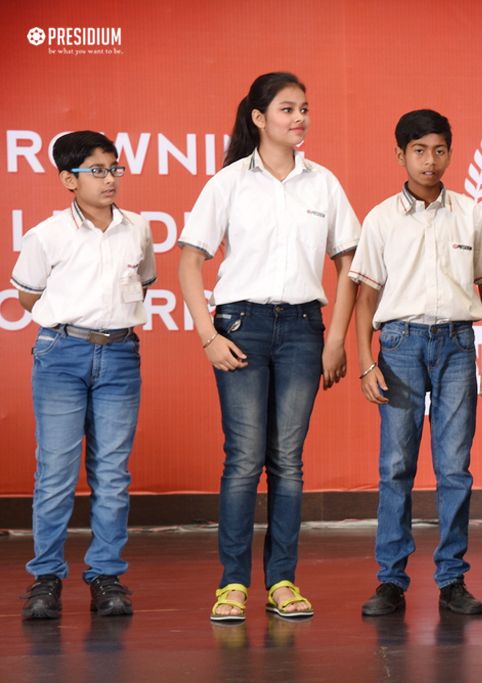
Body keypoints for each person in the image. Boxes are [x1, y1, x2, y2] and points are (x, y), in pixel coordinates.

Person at [178, 72, 360, 622]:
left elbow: (349, 264)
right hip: (240, 327)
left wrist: (335, 339)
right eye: (287, 109)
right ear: (258, 118)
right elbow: (189, 260)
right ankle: (232, 585)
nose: (299, 118)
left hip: (305, 328)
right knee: (243, 460)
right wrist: (208, 335)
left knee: (287, 461)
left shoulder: (323, 183)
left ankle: (282, 580)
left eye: (304, 108)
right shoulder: (230, 182)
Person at [352, 109, 482, 618]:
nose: (430, 161)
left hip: (459, 346)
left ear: (450, 152)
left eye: (440, 150)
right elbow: (365, 297)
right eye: (419, 150)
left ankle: (452, 579)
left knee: (455, 468)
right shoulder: (380, 219)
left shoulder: (469, 213)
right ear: (400, 154)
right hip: (398, 345)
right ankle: (391, 580)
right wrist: (364, 361)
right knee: (396, 466)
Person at [13, 130, 156, 619]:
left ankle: (106, 576)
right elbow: (29, 295)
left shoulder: (137, 228)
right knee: (55, 472)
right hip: (61, 353)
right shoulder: (46, 234)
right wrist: (67, 321)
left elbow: (145, 280)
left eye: (114, 168)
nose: (110, 178)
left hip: (119, 355)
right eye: (97, 170)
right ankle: (46, 578)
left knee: (112, 474)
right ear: (67, 179)